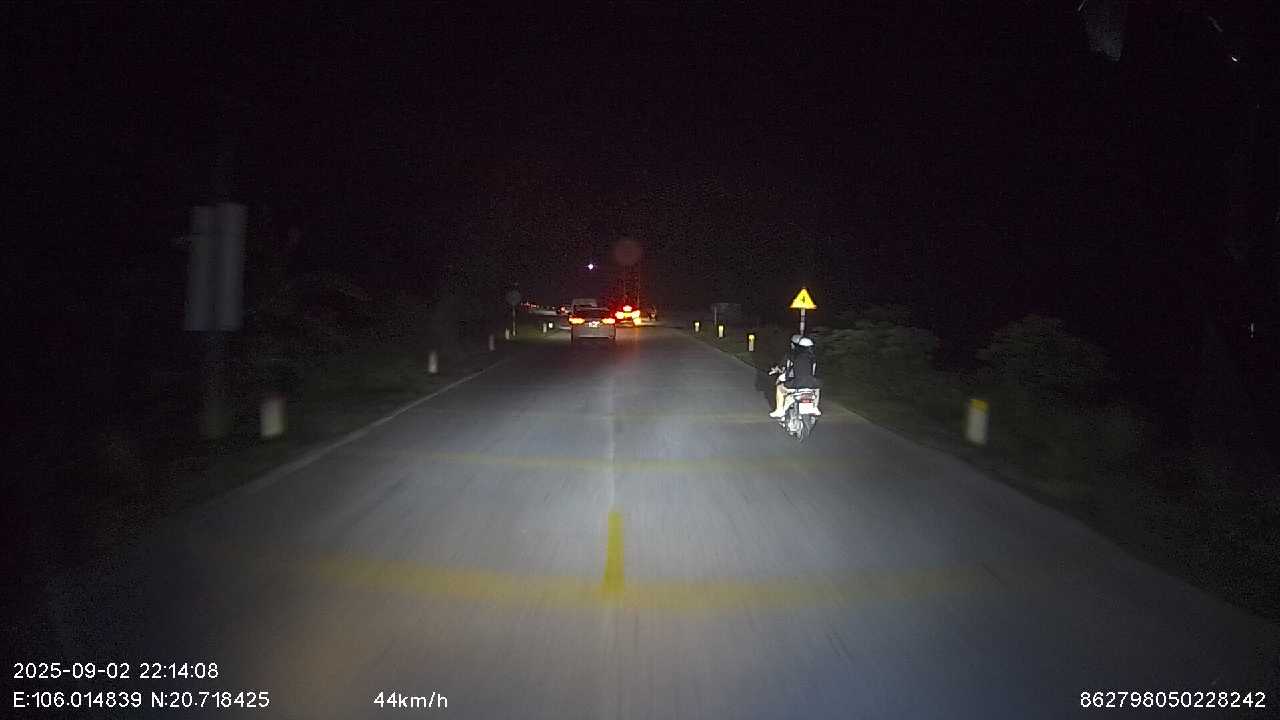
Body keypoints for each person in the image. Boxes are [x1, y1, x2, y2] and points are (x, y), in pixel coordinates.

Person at [769, 335, 819, 418]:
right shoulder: (813, 358)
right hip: (811, 384)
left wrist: (778, 372)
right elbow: (813, 372)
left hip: (795, 384)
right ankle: (815, 407)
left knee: (779, 388)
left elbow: (787, 370)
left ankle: (779, 410)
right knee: (817, 388)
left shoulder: (792, 356)